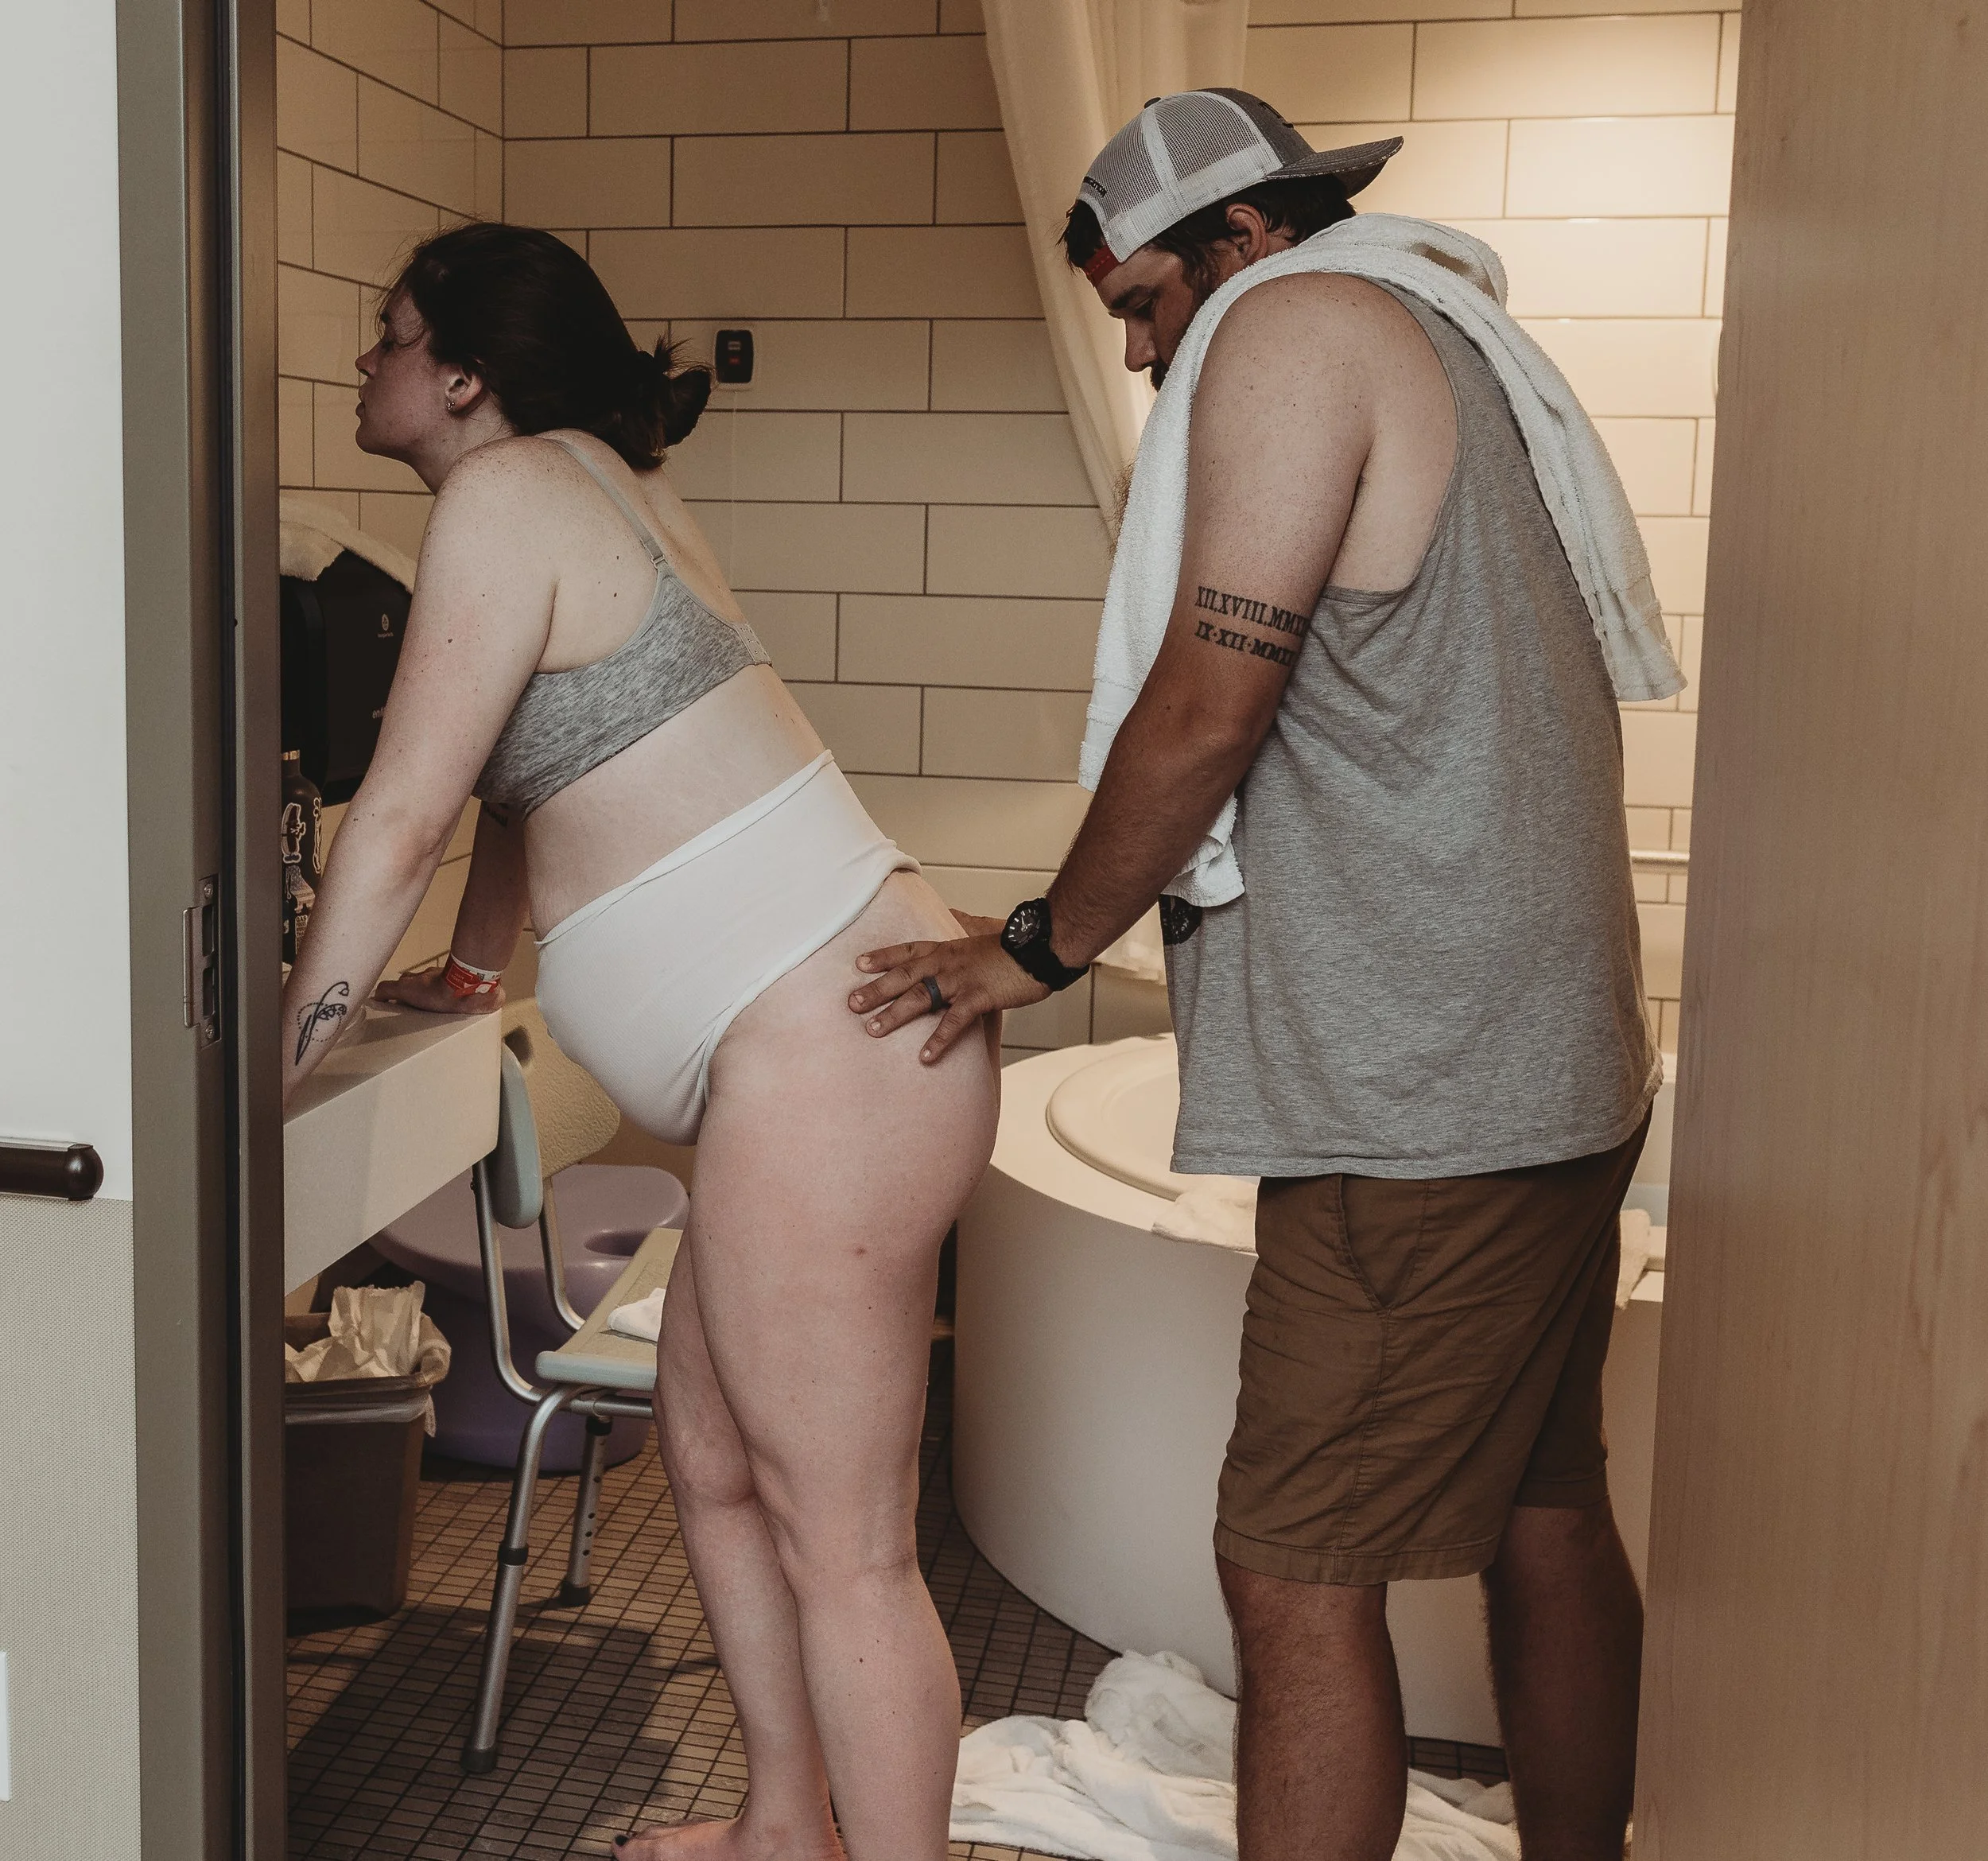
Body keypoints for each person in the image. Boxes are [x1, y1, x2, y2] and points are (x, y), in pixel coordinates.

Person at [848, 91, 1671, 1861]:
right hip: (1551, 1057)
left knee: (1289, 1565)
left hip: (1418, 1090)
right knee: (1546, 1508)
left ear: (1240, 236)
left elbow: (1207, 707)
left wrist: (1032, 948)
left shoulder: (1294, 329)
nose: (1144, 356)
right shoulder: (1452, 337)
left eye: (1145, 305)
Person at [279, 222, 1000, 1861]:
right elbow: (522, 781)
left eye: (392, 334)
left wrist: (264, 1080)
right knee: (713, 1462)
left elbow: (398, 819)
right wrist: (474, 970)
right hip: (821, 1048)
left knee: (849, 1548)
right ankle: (781, 1830)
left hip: (832, 1051)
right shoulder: (588, 480)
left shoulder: (505, 494)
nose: (365, 362)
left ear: (465, 374)